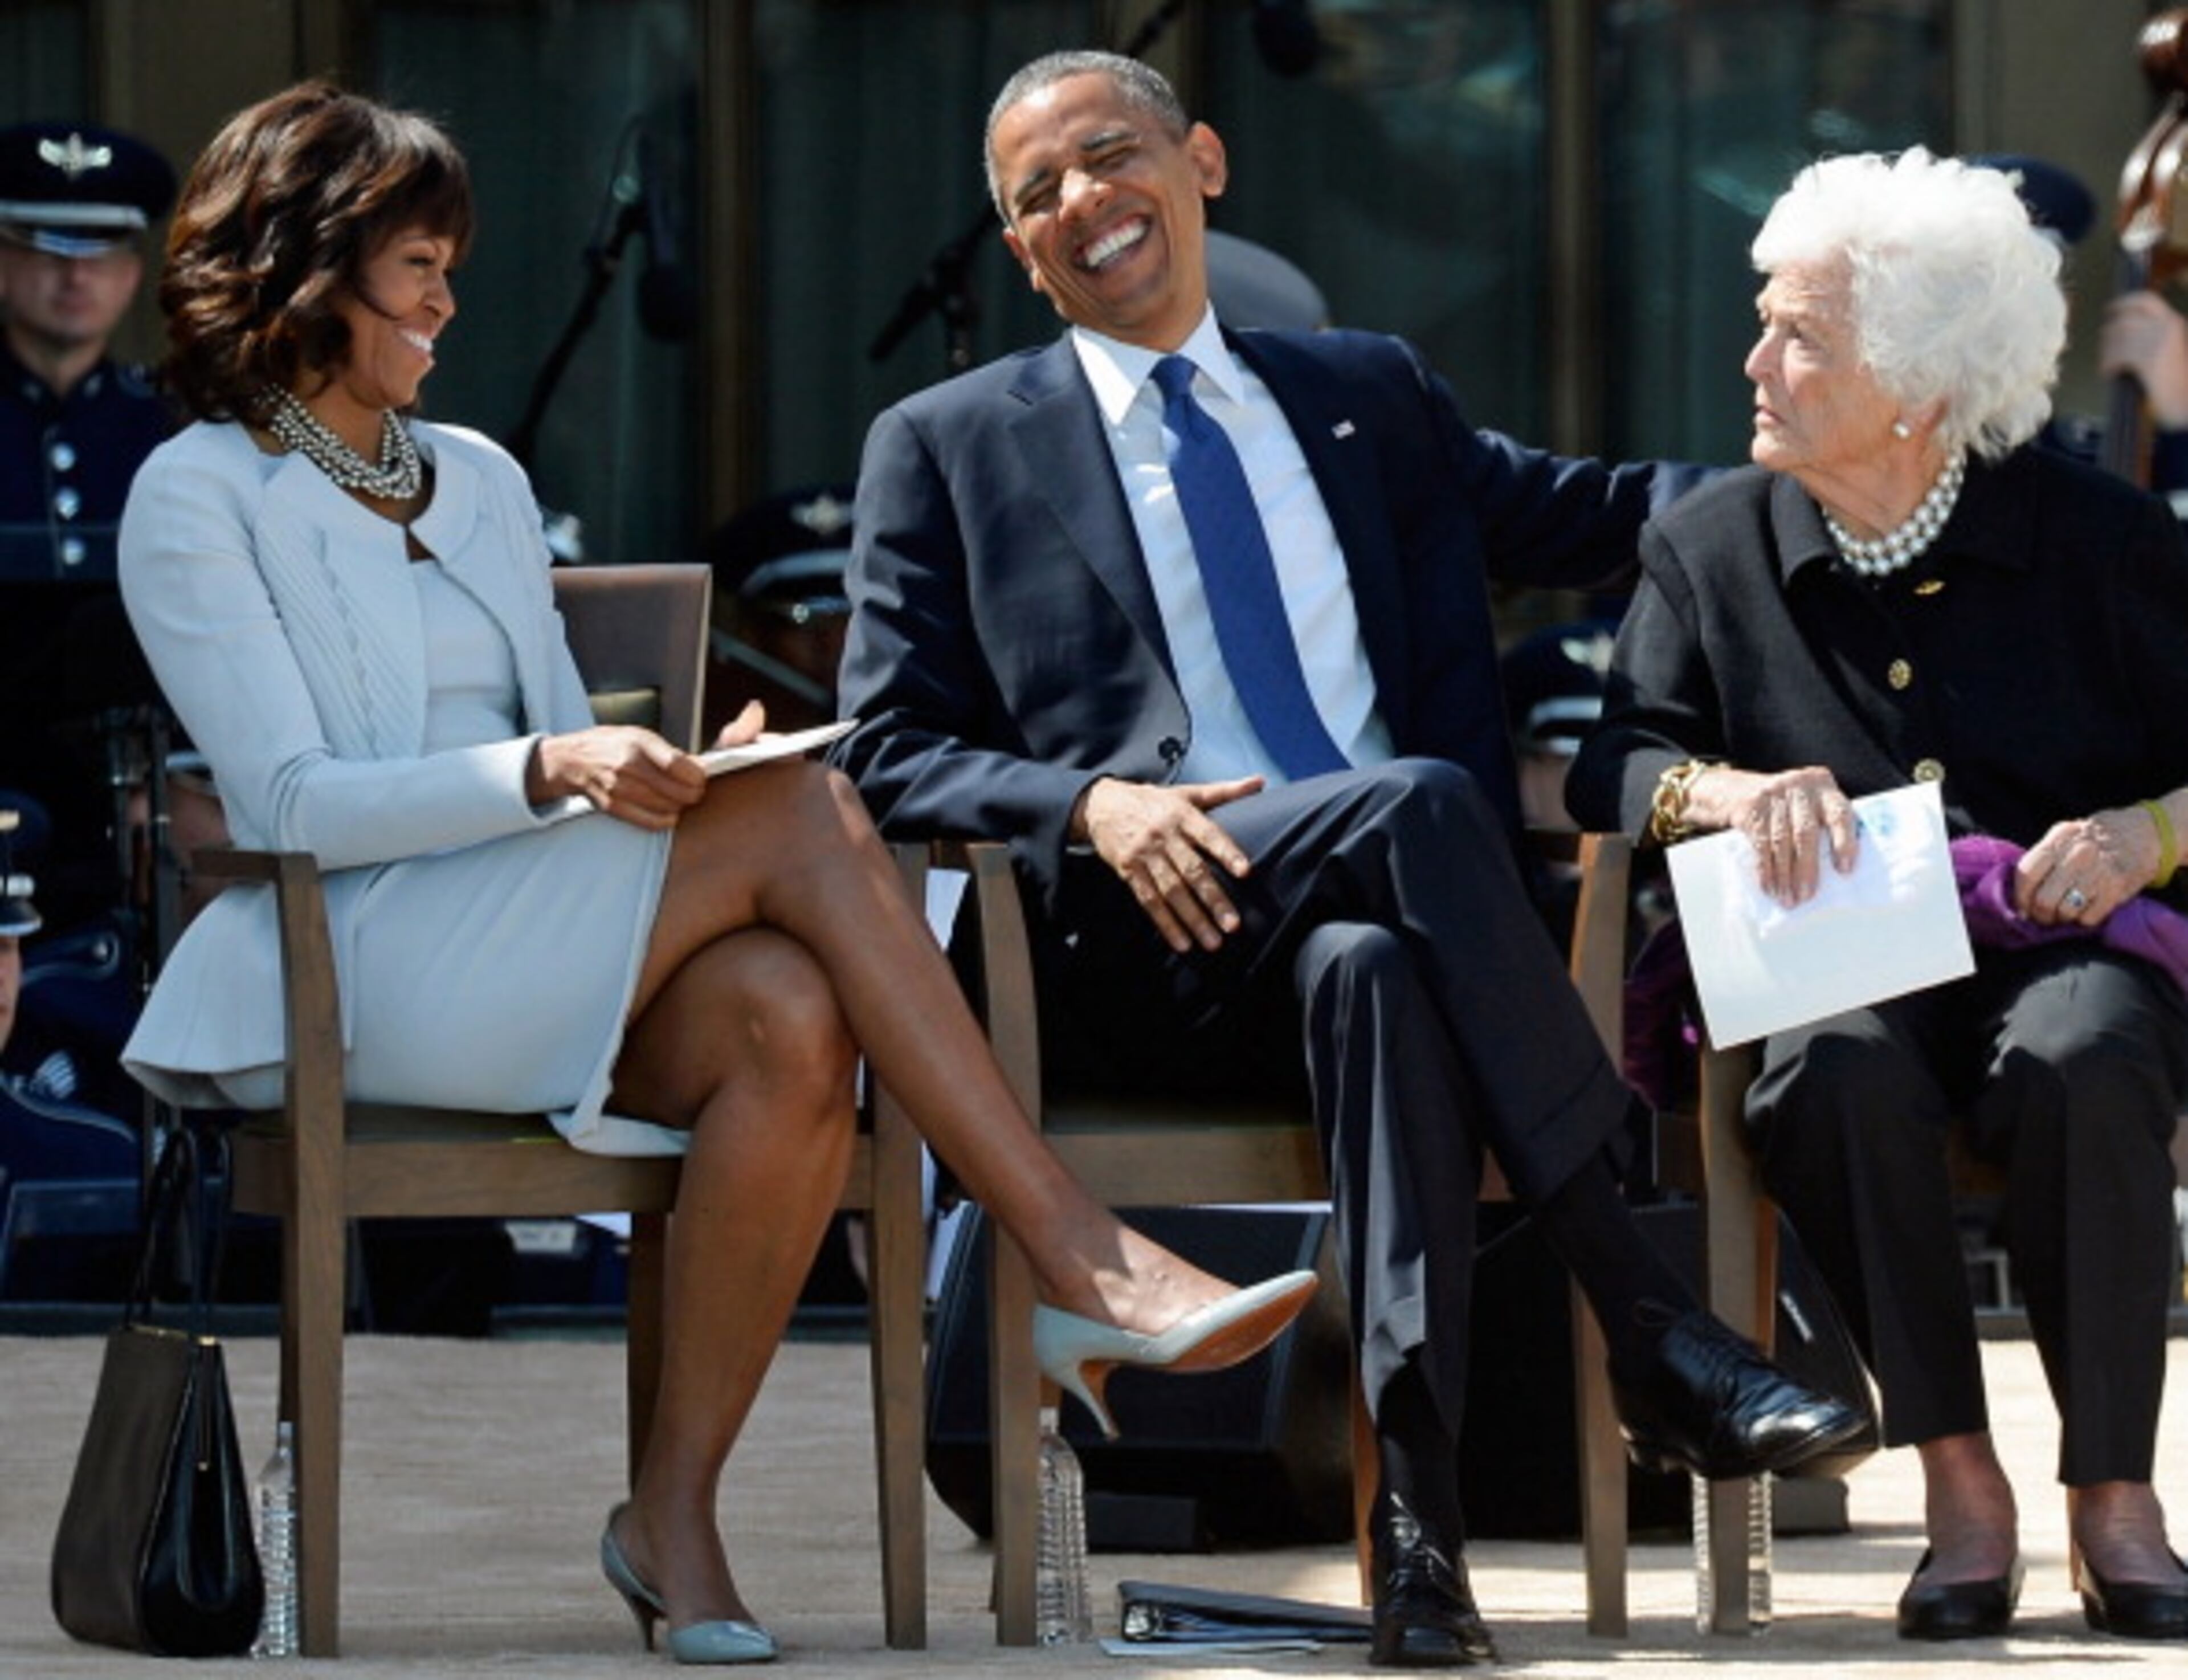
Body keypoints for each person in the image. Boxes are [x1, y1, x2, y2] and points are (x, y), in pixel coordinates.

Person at [116, 81, 1319, 1666]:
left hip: (534, 937)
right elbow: (283, 798)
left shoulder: (470, 473)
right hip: (353, 960)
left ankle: (669, 1517)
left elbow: (556, 739)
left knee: (787, 1013)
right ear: (307, 272)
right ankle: (1073, 1251)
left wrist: (682, 767)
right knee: (815, 820)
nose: (448, 301)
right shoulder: (194, 492)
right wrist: (561, 772)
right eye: (418, 269)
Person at [831, 49, 1866, 1667]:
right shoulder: (951, 440)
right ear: (1021, 250)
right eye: (1037, 196)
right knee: (1428, 801)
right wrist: (1089, 804)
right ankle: (1648, 1316)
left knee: (1377, 962)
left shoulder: (1365, 393)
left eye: (1111, 157)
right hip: (1144, 947)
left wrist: (1854, 466)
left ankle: (1418, 1549)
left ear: (1206, 164)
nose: (1083, 202)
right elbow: (883, 747)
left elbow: (1604, 511)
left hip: (1388, 933)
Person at [1567, 148, 2188, 1644]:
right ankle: (1960, 1480)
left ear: (1915, 384)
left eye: (1800, 335)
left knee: (2087, 1061)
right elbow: (1614, 762)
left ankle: (2115, 1493)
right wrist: (1722, 792)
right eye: (1767, 320)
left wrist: (2148, 834)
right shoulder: (1712, 544)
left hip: (2060, 939)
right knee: (1829, 1075)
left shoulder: (2099, 539)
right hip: (1835, 952)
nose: (1755, 360)